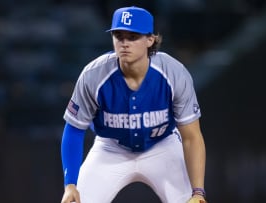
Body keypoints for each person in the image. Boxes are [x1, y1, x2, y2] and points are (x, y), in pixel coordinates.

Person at [60, 6, 207, 203]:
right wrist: (70, 184)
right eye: (119, 36)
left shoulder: (174, 73)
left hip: (162, 146)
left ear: (150, 40)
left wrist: (198, 192)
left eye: (133, 37)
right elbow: (74, 130)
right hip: (110, 149)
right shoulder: (93, 75)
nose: (124, 43)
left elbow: (191, 137)